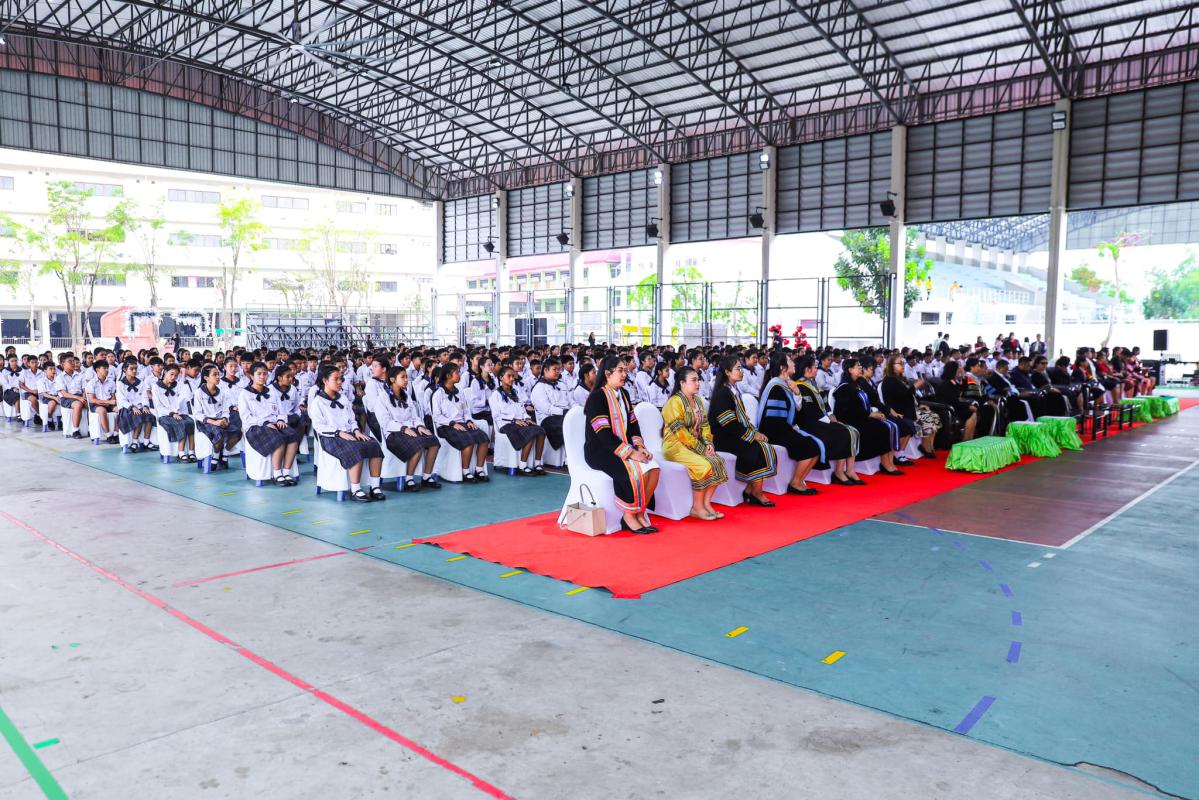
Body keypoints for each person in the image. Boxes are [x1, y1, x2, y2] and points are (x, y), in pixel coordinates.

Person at [583, 356, 660, 533]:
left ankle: (640, 512)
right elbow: (603, 434)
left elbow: (633, 424)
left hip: (621, 447)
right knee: (634, 471)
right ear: (607, 373)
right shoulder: (597, 397)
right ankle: (628, 516)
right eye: (620, 370)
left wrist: (640, 447)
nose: (625, 374)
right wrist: (631, 453)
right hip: (600, 451)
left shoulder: (624, 394)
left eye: (625, 370)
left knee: (654, 468)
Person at [309, 365, 386, 501]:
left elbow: (351, 419)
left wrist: (356, 431)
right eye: (336, 379)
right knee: (355, 448)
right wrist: (338, 433)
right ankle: (355, 489)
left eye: (341, 379)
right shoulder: (318, 402)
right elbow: (319, 426)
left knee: (374, 445)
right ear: (325, 381)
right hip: (330, 437)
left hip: (349, 434)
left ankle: (375, 487)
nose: (340, 382)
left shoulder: (343, 398)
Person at [708, 356, 777, 506]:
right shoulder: (722, 393)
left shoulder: (733, 390)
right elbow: (728, 423)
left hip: (733, 433)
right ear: (727, 372)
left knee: (764, 445)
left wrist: (754, 432)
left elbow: (741, 419)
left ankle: (750, 490)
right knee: (757, 447)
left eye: (741, 368)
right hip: (722, 437)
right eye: (738, 369)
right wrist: (752, 435)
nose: (741, 371)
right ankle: (757, 493)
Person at [661, 366, 727, 519]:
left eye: (698, 380)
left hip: (693, 444)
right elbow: (680, 433)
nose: (698, 383)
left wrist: (708, 443)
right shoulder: (674, 402)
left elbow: (705, 425)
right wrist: (701, 449)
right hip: (675, 446)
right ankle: (697, 507)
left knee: (719, 462)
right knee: (704, 465)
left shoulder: (697, 400)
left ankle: (706, 503)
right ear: (682, 382)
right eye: (694, 380)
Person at [755, 354, 820, 495]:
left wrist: (797, 393)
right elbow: (773, 420)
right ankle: (795, 483)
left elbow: (798, 410)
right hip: (773, 430)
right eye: (790, 361)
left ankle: (799, 481)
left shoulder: (787, 384)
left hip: (783, 427)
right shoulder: (775, 387)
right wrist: (791, 429)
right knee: (811, 447)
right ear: (782, 367)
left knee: (815, 446)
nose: (794, 363)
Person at [793, 356, 861, 484]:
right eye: (814, 367)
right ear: (807, 369)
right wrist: (829, 421)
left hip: (821, 420)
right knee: (844, 432)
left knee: (851, 430)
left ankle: (849, 470)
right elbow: (808, 412)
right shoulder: (799, 386)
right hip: (809, 424)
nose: (816, 369)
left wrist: (831, 415)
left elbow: (824, 403)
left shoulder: (812, 383)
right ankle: (839, 472)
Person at [831, 358, 903, 475]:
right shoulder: (844, 387)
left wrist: (872, 413)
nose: (860, 368)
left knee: (887, 426)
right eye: (857, 366)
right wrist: (870, 414)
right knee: (882, 428)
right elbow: (848, 410)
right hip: (850, 420)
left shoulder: (857, 383)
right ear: (850, 370)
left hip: (861, 416)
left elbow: (866, 403)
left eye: (860, 366)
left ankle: (889, 462)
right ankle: (885, 463)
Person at [377, 366, 441, 491]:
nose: (406, 380)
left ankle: (426, 477)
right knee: (418, 444)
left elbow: (414, 416)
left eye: (406, 377)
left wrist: (420, 426)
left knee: (434, 441)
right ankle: (409, 479)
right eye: (403, 377)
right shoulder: (383, 397)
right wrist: (403, 428)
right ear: (392, 379)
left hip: (411, 429)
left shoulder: (406, 395)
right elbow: (385, 422)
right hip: (393, 433)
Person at [240, 361, 301, 485]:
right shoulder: (244, 394)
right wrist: (263, 423)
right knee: (278, 438)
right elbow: (246, 417)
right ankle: (277, 474)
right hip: (255, 426)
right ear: (251, 376)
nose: (262, 376)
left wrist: (280, 419)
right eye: (259, 374)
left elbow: (281, 411)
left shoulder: (271, 391)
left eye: (265, 374)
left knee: (293, 436)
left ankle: (286, 472)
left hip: (274, 423)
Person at [432, 363, 491, 482]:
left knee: (484, 439)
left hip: (462, 424)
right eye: (457, 372)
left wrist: (468, 420)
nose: (459, 374)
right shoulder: (438, 394)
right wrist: (452, 423)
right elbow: (437, 416)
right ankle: (466, 471)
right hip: (446, 426)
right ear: (448, 376)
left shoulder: (459, 392)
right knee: (468, 441)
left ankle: (479, 469)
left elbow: (466, 411)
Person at [492, 366, 548, 476]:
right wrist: (513, 420)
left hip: (520, 422)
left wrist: (527, 418)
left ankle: (537, 463)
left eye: (513, 376)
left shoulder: (515, 393)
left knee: (541, 431)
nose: (512, 378)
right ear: (501, 378)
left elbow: (522, 410)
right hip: (506, 424)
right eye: (509, 376)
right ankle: (523, 465)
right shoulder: (496, 395)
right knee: (529, 432)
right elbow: (496, 415)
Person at [194, 364, 238, 468]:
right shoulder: (199, 393)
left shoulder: (222, 392)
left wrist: (224, 419)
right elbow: (197, 414)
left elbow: (225, 410)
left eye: (218, 374)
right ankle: (216, 456)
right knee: (219, 432)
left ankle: (225, 454)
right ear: (206, 378)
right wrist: (214, 422)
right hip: (206, 422)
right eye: (214, 375)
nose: (218, 377)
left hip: (220, 420)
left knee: (237, 432)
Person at [151, 363, 196, 460]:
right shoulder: (156, 386)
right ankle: (181, 452)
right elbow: (158, 406)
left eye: (176, 375)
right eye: (171, 374)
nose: (173, 377)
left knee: (191, 422)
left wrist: (183, 378)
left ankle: (191, 452)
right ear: (165, 372)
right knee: (181, 424)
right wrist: (172, 413)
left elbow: (188, 396)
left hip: (179, 413)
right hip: (165, 415)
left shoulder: (179, 384)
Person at [530, 358, 570, 455]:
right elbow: (546, 408)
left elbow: (570, 400)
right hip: (548, 418)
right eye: (554, 369)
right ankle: (567, 455)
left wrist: (575, 409)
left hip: (565, 414)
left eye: (559, 369)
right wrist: (564, 412)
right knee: (567, 426)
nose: (557, 372)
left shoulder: (561, 384)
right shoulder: (539, 387)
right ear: (546, 370)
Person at [115, 360, 155, 451]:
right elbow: (121, 400)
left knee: (149, 415)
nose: (134, 371)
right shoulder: (120, 383)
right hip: (126, 408)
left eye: (135, 369)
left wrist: (145, 406)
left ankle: (146, 441)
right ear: (125, 370)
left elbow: (144, 396)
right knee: (138, 416)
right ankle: (134, 442)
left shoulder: (140, 382)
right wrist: (132, 407)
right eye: (131, 369)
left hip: (139, 407)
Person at [85, 360, 119, 444]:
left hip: (109, 403)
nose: (107, 370)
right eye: (104, 368)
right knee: (102, 410)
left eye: (107, 368)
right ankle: (108, 435)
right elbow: (92, 399)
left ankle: (116, 433)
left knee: (120, 409)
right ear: (97, 369)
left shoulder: (111, 382)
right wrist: (107, 402)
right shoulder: (91, 383)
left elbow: (113, 396)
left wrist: (110, 402)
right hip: (96, 404)